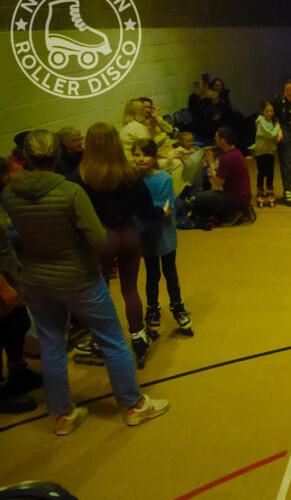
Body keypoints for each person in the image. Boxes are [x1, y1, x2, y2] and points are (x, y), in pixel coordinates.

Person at [3, 130, 169, 433]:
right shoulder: (70, 192)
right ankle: (134, 405)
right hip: (77, 277)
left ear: (26, 157)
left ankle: (63, 415)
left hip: (37, 279)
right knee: (111, 339)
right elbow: (96, 238)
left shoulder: (10, 194)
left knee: (52, 344)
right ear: (56, 157)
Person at [72, 123, 168, 368]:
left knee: (100, 292)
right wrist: (161, 212)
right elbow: (147, 211)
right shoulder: (130, 174)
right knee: (130, 288)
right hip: (128, 234)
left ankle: (99, 341)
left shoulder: (79, 177)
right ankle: (138, 336)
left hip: (102, 237)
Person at [132, 140, 193, 336]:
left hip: (164, 235)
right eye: (137, 154)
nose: (141, 159)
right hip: (145, 235)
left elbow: (168, 206)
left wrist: (148, 210)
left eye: (145, 154)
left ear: (154, 156)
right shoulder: (132, 180)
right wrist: (153, 210)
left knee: (170, 272)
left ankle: (177, 305)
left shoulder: (164, 178)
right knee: (152, 274)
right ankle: (152, 309)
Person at [0, 157, 43, 414]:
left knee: (16, 325)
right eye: (4, 175)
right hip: (1, 283)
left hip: (9, 275)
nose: (8, 180)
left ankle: (18, 370)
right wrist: (3, 287)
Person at [194, 127, 252, 226]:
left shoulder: (227, 158)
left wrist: (211, 164)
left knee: (199, 197)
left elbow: (218, 182)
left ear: (223, 140)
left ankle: (232, 212)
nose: (214, 139)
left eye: (216, 137)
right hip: (243, 196)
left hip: (236, 198)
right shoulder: (236, 152)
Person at [253, 101, 282, 208]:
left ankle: (269, 191)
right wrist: (277, 128)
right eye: (267, 111)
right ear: (262, 112)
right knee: (261, 172)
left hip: (270, 151)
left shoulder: (270, 121)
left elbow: (274, 137)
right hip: (261, 152)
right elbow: (270, 134)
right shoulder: (261, 122)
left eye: (271, 111)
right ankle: (260, 191)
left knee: (270, 173)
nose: (270, 113)